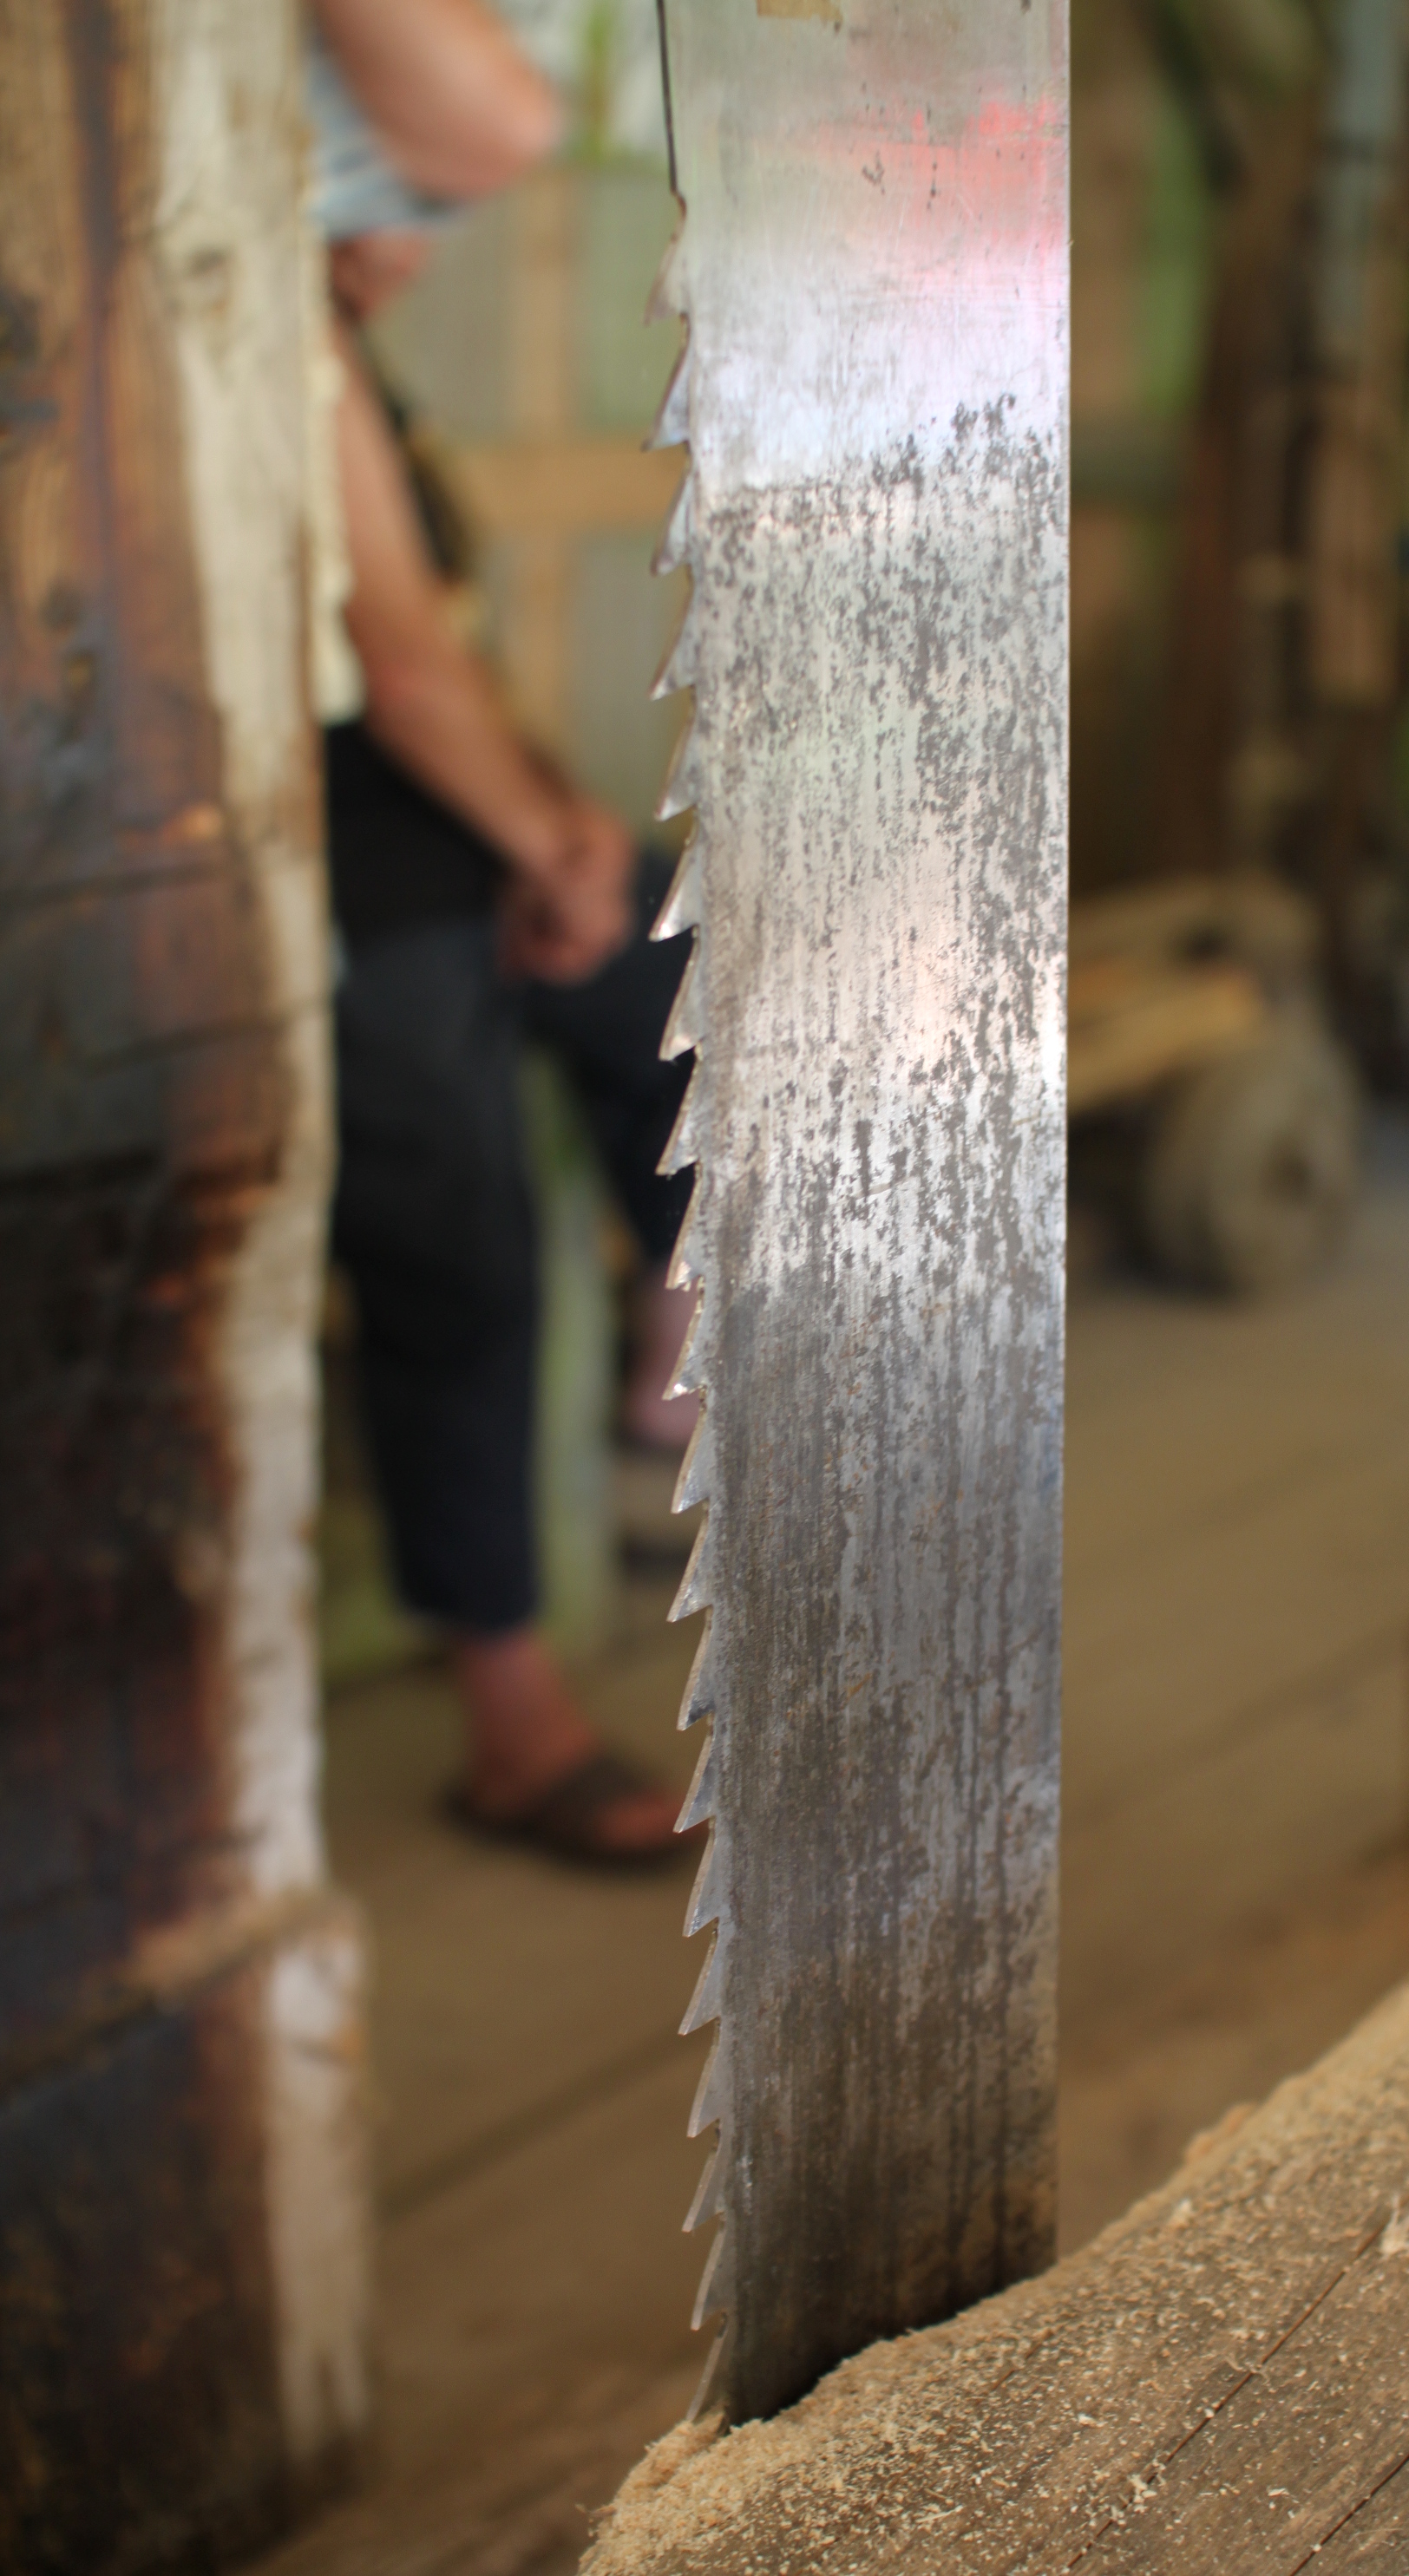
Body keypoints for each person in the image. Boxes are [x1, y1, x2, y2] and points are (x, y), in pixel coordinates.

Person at [310, 0, 692, 1865]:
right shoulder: (253, 338)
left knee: (703, 976)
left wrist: (567, 836)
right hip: (329, 898)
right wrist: (548, 841)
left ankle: (673, 1374)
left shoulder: (350, 366)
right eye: (393, 201)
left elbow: (445, 659)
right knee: (461, 1245)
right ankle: (513, 1729)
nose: (418, 238)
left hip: (457, 856)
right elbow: (396, 674)